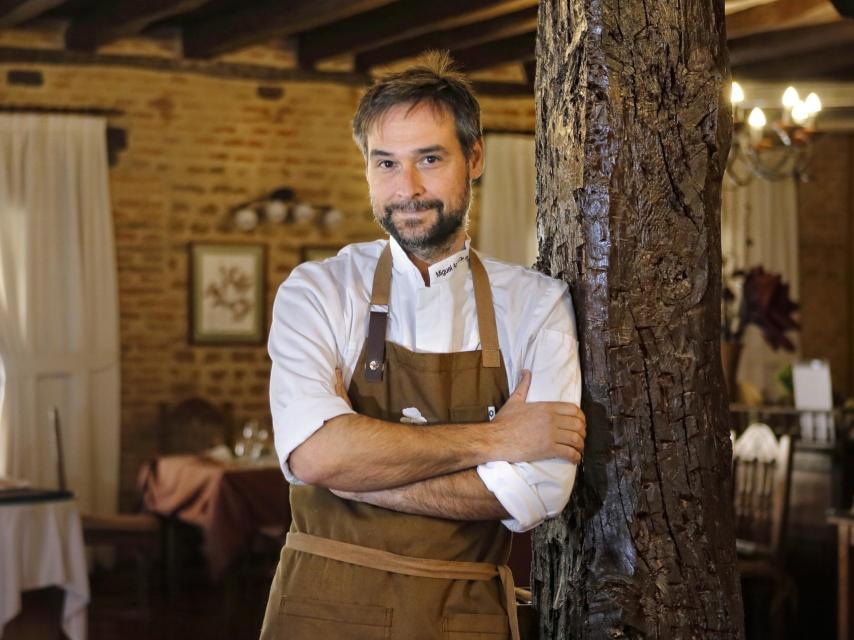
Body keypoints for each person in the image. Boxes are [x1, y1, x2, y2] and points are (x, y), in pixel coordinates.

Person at [260, 51, 586, 640]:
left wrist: (354, 471)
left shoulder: (538, 305)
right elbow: (315, 456)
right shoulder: (317, 291)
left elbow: (538, 491)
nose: (406, 188)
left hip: (465, 618)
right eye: (386, 162)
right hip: (322, 611)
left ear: (475, 158)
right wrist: (496, 439)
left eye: (429, 159)